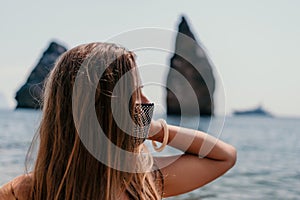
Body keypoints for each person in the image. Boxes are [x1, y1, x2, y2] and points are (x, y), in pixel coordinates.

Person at [0, 42, 236, 200]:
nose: (146, 101)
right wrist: (152, 129)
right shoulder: (142, 183)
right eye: (137, 93)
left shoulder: (26, 191)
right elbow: (223, 156)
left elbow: (224, 156)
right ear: (107, 110)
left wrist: (150, 127)